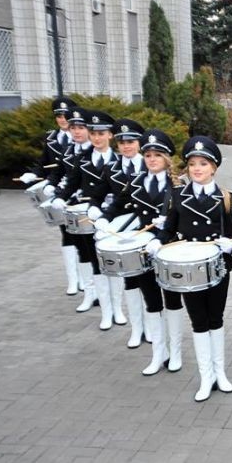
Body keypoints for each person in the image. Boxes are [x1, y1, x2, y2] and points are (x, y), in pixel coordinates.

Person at [145, 136, 232, 402]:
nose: (197, 168)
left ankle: (220, 373)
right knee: (198, 321)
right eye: (193, 164)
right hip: (188, 268)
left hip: (217, 267)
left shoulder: (225, 197)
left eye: (203, 163)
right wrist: (156, 241)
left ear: (214, 168)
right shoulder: (177, 196)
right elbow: (168, 229)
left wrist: (229, 246)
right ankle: (205, 376)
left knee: (216, 319)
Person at [94, 128, 185, 375]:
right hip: (142, 250)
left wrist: (169, 226)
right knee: (152, 301)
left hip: (168, 249)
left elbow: (187, 219)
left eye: (157, 155)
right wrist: (103, 218)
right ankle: (159, 352)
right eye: (147, 155)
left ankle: (175, 352)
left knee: (173, 301)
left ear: (167, 158)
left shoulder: (178, 185)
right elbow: (118, 204)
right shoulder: (135, 182)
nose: (152, 159)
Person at [51, 109, 118, 330]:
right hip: (88, 216)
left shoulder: (118, 160)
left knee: (111, 262)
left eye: (102, 133)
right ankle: (105, 311)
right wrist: (60, 198)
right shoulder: (83, 158)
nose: (97, 138)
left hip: (112, 219)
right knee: (91, 260)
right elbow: (71, 182)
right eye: (93, 133)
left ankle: (117, 309)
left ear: (110, 135)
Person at [88, 118, 148, 345]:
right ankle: (136, 328)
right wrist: (98, 213)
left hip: (144, 228)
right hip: (121, 228)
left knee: (147, 282)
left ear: (140, 142)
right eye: (122, 142)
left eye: (131, 141)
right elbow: (98, 195)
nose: (126, 146)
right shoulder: (111, 167)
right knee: (130, 280)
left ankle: (151, 328)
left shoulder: (149, 165)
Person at [17, 96, 80, 296]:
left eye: (66, 115)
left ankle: (86, 278)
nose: (62, 119)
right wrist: (34, 174)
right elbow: (44, 164)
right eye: (59, 115)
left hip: (80, 194)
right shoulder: (51, 138)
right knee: (66, 233)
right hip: (60, 192)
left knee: (83, 235)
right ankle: (73, 279)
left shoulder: (81, 137)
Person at [43, 106, 94, 306]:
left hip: (92, 208)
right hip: (72, 206)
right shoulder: (68, 150)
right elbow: (59, 173)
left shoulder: (96, 152)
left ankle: (106, 298)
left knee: (95, 251)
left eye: (81, 127)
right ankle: (88, 291)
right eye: (73, 127)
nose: (77, 131)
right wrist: (52, 187)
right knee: (79, 247)